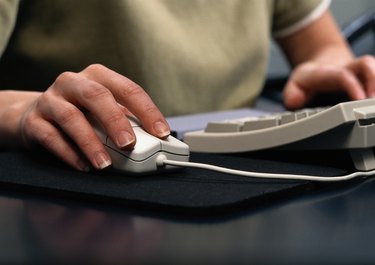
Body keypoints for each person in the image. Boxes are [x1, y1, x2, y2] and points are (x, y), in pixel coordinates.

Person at [0, 0, 374, 172]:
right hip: (72, 182)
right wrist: (21, 114)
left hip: (242, 174)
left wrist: (330, 69)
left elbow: (323, 45)